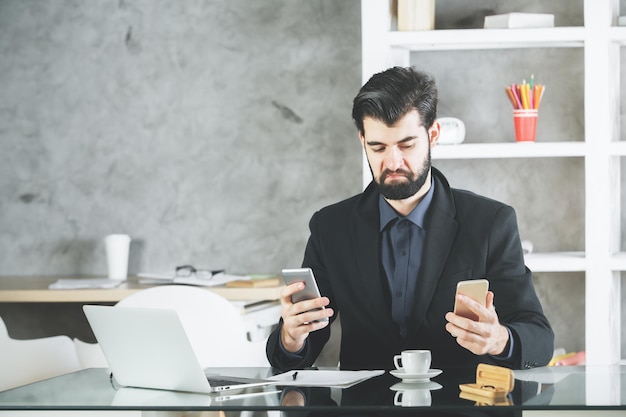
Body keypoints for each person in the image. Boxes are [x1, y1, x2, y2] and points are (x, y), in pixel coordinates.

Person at [266, 66, 554, 372]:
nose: (392, 162)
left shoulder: (491, 222)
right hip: (365, 409)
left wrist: (499, 339)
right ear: (362, 139)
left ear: (433, 134)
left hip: (460, 407)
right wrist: (291, 336)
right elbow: (301, 344)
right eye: (378, 147)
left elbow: (539, 338)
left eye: (407, 145)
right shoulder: (330, 227)